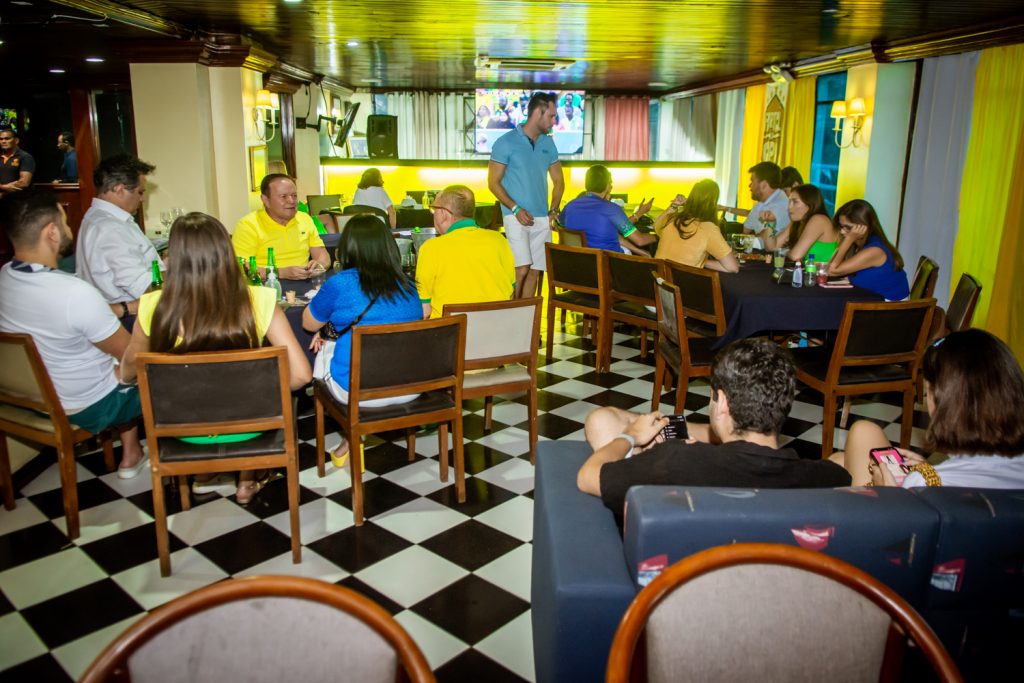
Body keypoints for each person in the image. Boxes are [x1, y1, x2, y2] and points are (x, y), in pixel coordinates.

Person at [119, 212, 312, 504]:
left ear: (174, 258)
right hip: (249, 428)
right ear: (227, 251)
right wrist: (258, 389)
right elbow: (300, 376)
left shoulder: (151, 305)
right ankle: (249, 475)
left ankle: (204, 473)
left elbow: (129, 370)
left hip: (183, 430)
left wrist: (123, 374)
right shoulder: (259, 299)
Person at [577, 338, 850, 516]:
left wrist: (630, 436)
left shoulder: (676, 461)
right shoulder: (826, 478)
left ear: (721, 403)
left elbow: (587, 476)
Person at [0, 189, 146, 478]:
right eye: (66, 223)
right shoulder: (75, 293)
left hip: (28, 398)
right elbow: (134, 355)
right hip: (89, 405)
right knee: (164, 367)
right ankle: (198, 460)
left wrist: (120, 309)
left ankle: (131, 452)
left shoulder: (6, 276)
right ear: (51, 232)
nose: (70, 229)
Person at [302, 214, 423, 466]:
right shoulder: (409, 286)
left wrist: (324, 333)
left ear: (348, 248)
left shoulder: (340, 284)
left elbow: (307, 322)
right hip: (411, 389)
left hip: (358, 392)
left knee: (323, 344)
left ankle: (351, 434)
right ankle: (352, 436)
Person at [833, 329, 1024, 488]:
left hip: (896, 516)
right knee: (841, 459)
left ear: (942, 400)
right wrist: (929, 468)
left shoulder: (921, 484)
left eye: (927, 392)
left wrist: (889, 494)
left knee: (847, 453)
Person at [488, 91, 565, 298]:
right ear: (538, 113)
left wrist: (554, 210)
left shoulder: (549, 143)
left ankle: (526, 322)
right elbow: (493, 183)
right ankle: (508, 316)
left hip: (541, 218)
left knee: (534, 272)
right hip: (515, 216)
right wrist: (515, 208)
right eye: (551, 116)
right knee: (520, 270)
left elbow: (559, 181)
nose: (554, 120)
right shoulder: (505, 142)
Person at [76, 154, 162, 331]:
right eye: (140, 192)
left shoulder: (99, 217)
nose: (142, 199)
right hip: (131, 321)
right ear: (120, 189)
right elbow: (146, 287)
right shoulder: (111, 229)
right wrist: (183, 272)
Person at [415, 185, 515, 318]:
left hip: (451, 333)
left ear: (444, 213)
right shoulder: (499, 240)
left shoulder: (431, 248)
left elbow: (425, 310)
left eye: (434, 210)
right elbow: (511, 293)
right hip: (494, 330)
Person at [233, 173, 330, 280]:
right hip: (268, 285)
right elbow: (239, 267)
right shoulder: (248, 225)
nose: (291, 201)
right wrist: (280, 272)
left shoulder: (305, 219)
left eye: (294, 195)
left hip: (305, 282)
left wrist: (319, 266)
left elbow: (322, 254)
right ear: (265, 200)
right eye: (283, 197)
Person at [559, 165, 655, 255]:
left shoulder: (570, 206)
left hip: (579, 263)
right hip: (608, 264)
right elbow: (640, 240)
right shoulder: (612, 209)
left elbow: (558, 224)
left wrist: (638, 213)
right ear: (607, 185)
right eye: (610, 182)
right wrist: (660, 235)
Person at [827, 199, 909, 301]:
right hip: (874, 302)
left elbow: (831, 271)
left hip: (891, 309)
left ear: (863, 227)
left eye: (848, 227)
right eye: (841, 226)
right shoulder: (861, 244)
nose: (842, 231)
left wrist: (849, 239)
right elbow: (829, 268)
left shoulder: (875, 250)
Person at [653, 179, 739, 273]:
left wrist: (674, 206)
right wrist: (703, 261)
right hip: (682, 284)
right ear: (714, 203)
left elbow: (656, 226)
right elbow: (732, 267)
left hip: (658, 281)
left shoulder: (670, 220)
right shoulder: (709, 228)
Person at [761, 184, 839, 262]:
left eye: (795, 202)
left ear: (810, 204)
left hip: (822, 273)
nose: (789, 207)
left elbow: (796, 256)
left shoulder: (819, 220)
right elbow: (771, 248)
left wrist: (784, 251)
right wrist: (770, 223)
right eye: (789, 202)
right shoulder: (798, 222)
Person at [742, 161, 792, 242]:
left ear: (764, 185)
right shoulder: (761, 203)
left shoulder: (781, 205)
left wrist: (747, 240)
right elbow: (746, 230)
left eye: (752, 181)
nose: (749, 185)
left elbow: (765, 239)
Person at [0, 127, 35, 195]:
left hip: (18, 199)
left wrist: (3, 189)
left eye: (7, 138)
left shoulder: (25, 157)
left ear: (16, 141)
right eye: (1, 139)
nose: (3, 141)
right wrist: (3, 187)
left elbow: (24, 183)